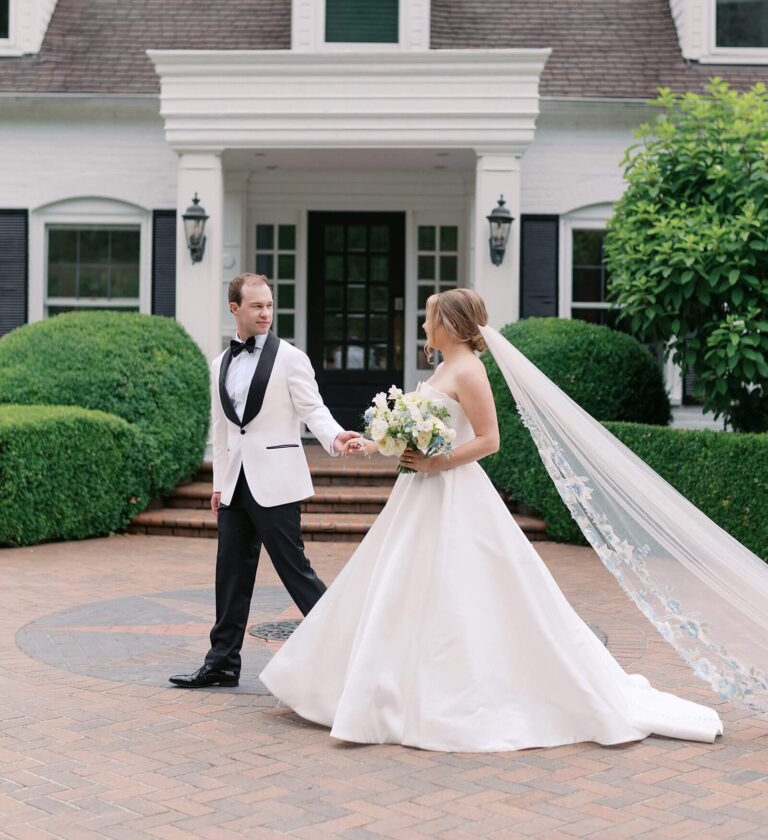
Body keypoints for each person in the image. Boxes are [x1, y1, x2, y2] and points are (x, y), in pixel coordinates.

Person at [258, 288, 724, 751]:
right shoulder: (442, 367)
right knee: (397, 584)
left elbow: (489, 440)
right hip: (418, 494)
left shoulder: (471, 371)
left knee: (462, 590)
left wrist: (440, 463)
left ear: (450, 324)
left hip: (454, 492)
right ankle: (385, 690)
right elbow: (417, 433)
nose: (423, 326)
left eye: (429, 318)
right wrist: (376, 443)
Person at [170, 273, 360, 688]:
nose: (266, 314)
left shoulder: (291, 358)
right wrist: (220, 484)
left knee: (296, 571)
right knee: (231, 576)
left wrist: (335, 436)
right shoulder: (220, 363)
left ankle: (352, 650)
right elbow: (221, 431)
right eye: (257, 306)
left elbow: (314, 409)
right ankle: (221, 664)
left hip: (277, 480)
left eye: (270, 305)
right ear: (234, 308)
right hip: (236, 484)